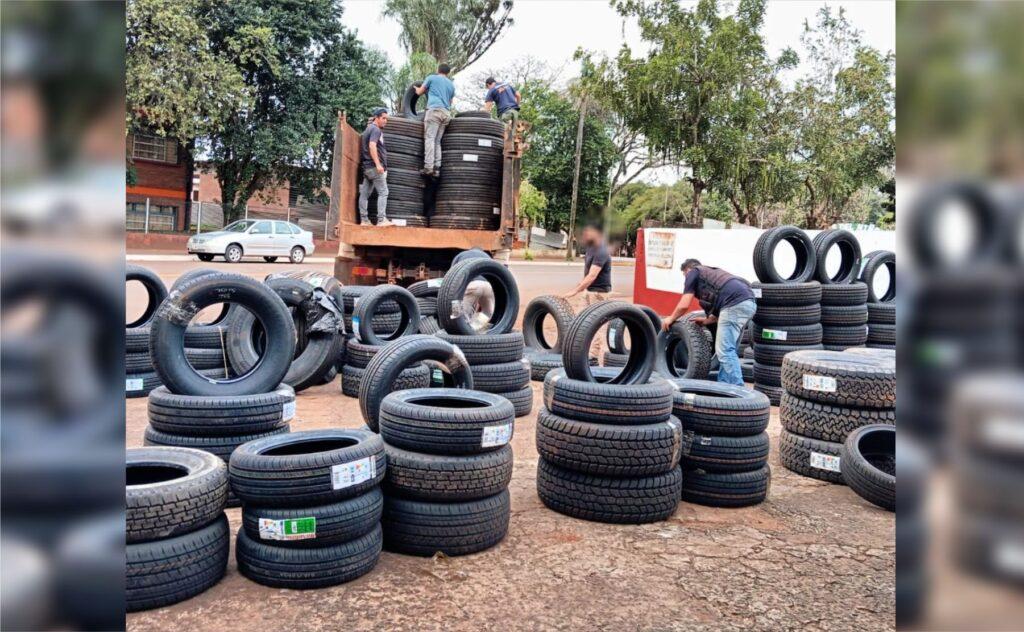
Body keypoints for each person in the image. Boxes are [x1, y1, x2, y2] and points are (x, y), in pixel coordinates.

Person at [662, 258, 757, 386]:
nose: (685, 278)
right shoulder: (712, 274)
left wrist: (670, 318)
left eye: (684, 275)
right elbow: (722, 303)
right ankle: (724, 385)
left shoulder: (693, 272)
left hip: (734, 305)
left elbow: (684, 305)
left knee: (724, 350)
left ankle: (738, 389)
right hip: (749, 304)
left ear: (687, 270)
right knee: (728, 349)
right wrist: (707, 321)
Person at [563, 223, 614, 359]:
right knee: (580, 320)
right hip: (589, 291)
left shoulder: (602, 250)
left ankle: (593, 357)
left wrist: (575, 291)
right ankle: (581, 351)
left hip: (599, 294)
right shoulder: (590, 248)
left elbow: (592, 275)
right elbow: (587, 274)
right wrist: (580, 287)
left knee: (596, 325)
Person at [415, 63, 455, 177]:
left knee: (430, 138)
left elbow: (419, 92)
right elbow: (450, 102)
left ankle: (428, 167)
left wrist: (417, 89)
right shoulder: (451, 85)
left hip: (434, 111)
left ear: (438, 69)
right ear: (448, 72)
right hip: (446, 113)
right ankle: (437, 169)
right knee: (437, 141)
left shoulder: (431, 78)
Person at [358, 107, 394, 226]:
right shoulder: (376, 130)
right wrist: (378, 164)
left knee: (365, 194)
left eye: (386, 119)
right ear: (376, 118)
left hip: (367, 168)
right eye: (383, 118)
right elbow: (372, 146)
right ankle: (381, 219)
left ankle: (364, 220)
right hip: (374, 167)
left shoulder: (367, 130)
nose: (385, 121)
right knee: (384, 192)